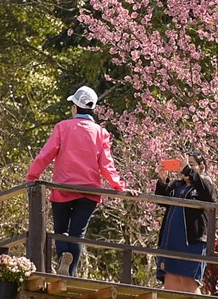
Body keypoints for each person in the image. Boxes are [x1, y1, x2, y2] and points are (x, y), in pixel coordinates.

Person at [26, 86, 137, 276]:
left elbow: (46, 154)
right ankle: (71, 273)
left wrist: (32, 177)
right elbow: (106, 164)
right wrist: (120, 186)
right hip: (89, 192)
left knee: (61, 231)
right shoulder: (100, 132)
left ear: (75, 108)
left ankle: (63, 260)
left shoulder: (63, 127)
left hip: (62, 187)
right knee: (78, 234)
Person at [155, 150, 216, 294]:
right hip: (171, 240)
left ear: (202, 167)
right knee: (171, 281)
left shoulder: (204, 184)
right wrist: (163, 181)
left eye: (191, 164)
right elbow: (161, 200)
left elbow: (209, 196)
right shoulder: (177, 186)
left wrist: (188, 170)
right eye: (183, 165)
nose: (185, 168)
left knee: (189, 282)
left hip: (191, 241)